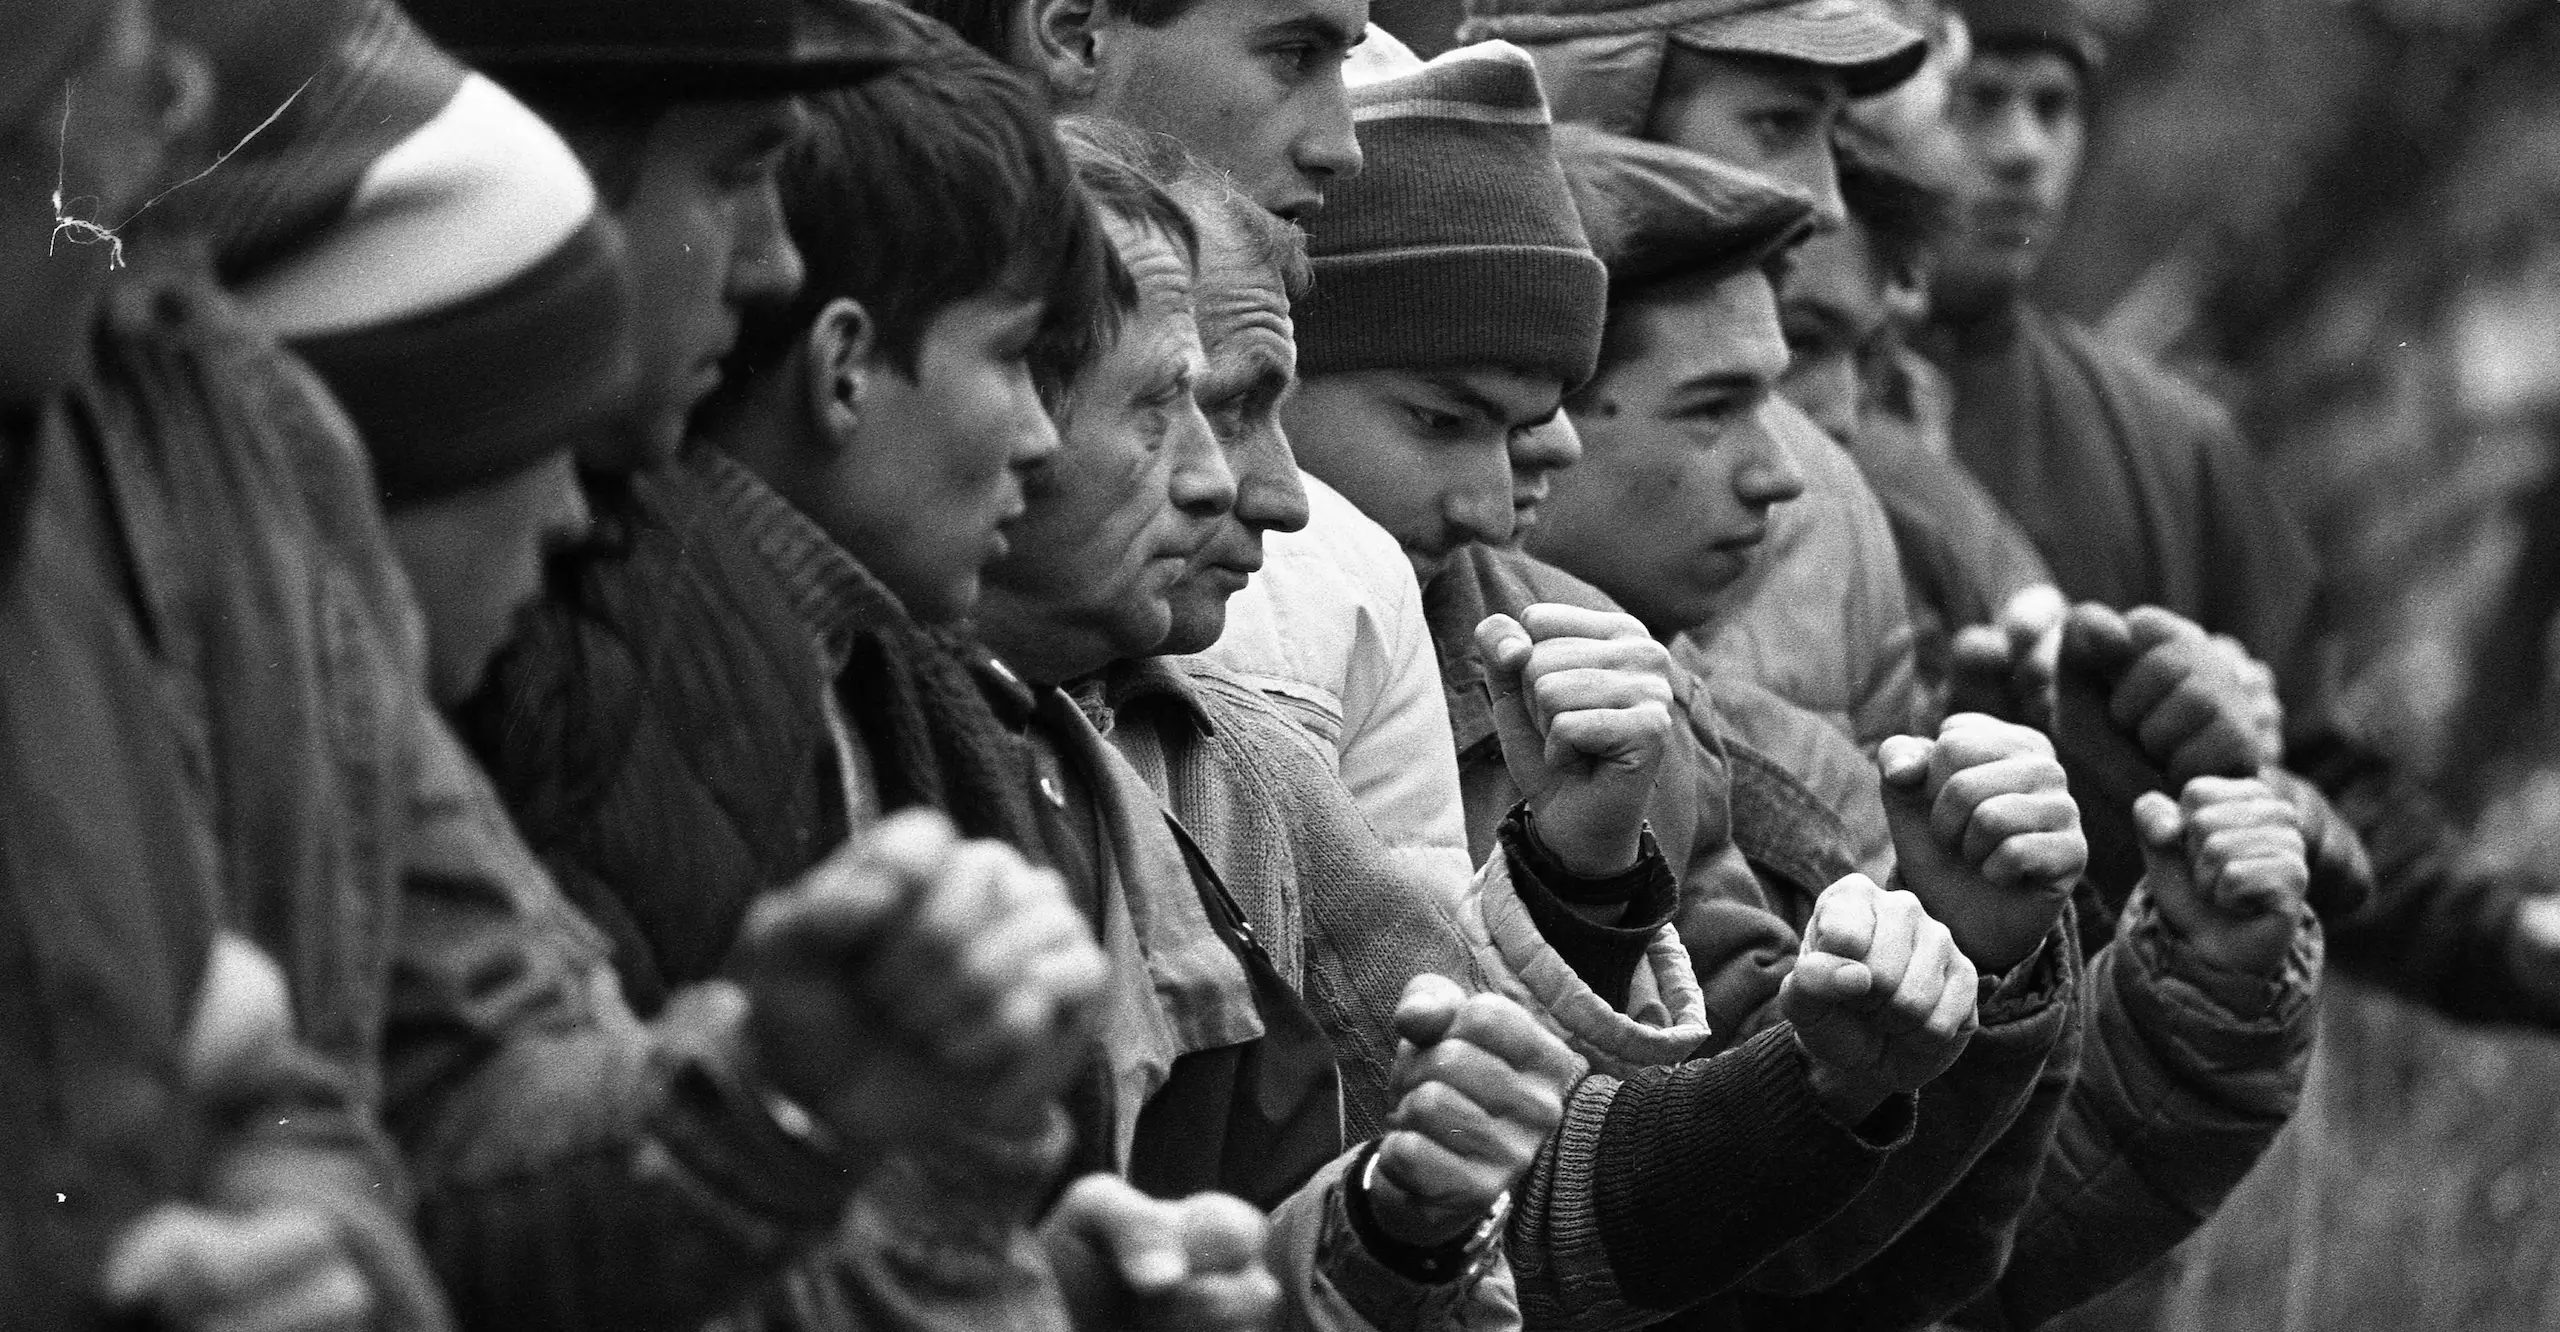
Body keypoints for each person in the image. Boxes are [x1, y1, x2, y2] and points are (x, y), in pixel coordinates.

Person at [989, 114, 2014, 1332]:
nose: (1256, 489)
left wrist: (1839, 1067)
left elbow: (1535, 1215)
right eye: (1183, 407)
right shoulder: (826, 715)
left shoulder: (1243, 767)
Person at [455, 26, 1284, 1331]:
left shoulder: (904, 680)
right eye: (1018, 360)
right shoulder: (641, 658)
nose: (1031, 438)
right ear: (844, 366)